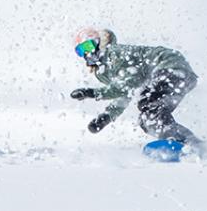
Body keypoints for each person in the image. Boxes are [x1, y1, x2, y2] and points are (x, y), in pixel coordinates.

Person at [69, 27, 200, 144]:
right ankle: (181, 142)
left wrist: (93, 93)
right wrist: (108, 116)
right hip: (180, 74)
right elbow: (125, 92)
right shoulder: (107, 69)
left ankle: (189, 142)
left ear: (99, 42)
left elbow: (127, 84)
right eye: (81, 51)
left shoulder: (114, 53)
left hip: (169, 67)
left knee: (149, 108)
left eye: (88, 46)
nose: (87, 53)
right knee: (146, 119)